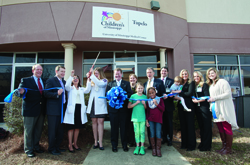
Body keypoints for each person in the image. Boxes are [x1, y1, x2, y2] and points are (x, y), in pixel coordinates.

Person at [14, 64, 46, 158]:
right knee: (29, 131)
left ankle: (36, 147)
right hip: (30, 110)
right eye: (37, 69)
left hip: (41, 110)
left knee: (38, 131)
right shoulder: (26, 80)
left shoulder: (44, 81)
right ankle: (28, 150)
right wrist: (20, 92)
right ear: (33, 71)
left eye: (41, 70)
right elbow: (18, 91)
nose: (39, 71)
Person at [206, 67, 239, 155]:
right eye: (209, 74)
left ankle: (228, 148)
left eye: (212, 73)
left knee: (226, 126)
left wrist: (215, 98)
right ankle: (224, 146)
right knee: (220, 127)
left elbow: (228, 94)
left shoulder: (222, 82)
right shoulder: (212, 85)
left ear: (216, 73)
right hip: (216, 108)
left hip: (224, 107)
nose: (211, 75)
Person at [106, 68, 133, 152]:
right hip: (113, 110)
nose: (117, 75)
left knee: (123, 128)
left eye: (118, 74)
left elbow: (130, 94)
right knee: (114, 128)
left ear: (121, 74)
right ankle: (114, 145)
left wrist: (122, 95)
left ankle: (124, 145)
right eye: (116, 74)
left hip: (123, 110)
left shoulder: (127, 83)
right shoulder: (110, 84)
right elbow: (106, 95)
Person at [64, 70, 90, 153]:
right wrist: (71, 76)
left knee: (77, 128)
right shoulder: (70, 88)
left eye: (77, 78)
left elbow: (88, 90)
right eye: (74, 78)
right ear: (72, 80)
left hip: (79, 109)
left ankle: (75, 144)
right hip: (72, 110)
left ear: (79, 80)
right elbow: (66, 86)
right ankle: (70, 145)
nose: (75, 79)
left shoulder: (81, 89)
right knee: (71, 128)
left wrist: (89, 79)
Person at [44, 65, 66, 155]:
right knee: (52, 130)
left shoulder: (64, 82)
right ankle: (51, 148)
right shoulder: (50, 80)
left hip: (62, 109)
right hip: (53, 110)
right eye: (61, 71)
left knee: (60, 130)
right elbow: (46, 93)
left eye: (64, 72)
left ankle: (57, 147)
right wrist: (56, 94)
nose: (63, 73)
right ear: (56, 71)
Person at [86, 67, 108, 150]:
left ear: (101, 73)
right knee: (94, 122)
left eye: (97, 73)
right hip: (93, 104)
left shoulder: (104, 80)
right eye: (94, 73)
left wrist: (91, 76)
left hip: (101, 105)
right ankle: (95, 141)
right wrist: (88, 80)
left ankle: (101, 142)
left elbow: (99, 84)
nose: (95, 75)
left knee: (100, 122)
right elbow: (87, 90)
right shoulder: (92, 80)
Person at [143, 67, 165, 149]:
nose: (149, 74)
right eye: (147, 72)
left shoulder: (159, 82)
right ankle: (151, 145)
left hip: (157, 109)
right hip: (149, 109)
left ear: (153, 73)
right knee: (150, 129)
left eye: (150, 72)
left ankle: (158, 146)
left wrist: (165, 94)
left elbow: (163, 92)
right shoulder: (145, 84)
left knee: (158, 130)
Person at [176, 69, 196, 151]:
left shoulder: (191, 83)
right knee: (183, 126)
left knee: (190, 126)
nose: (184, 75)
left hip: (189, 106)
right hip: (181, 107)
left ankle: (191, 145)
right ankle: (184, 144)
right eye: (183, 74)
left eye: (186, 74)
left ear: (188, 75)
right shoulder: (180, 84)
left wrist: (180, 93)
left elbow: (190, 93)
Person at [192, 71, 212, 151]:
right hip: (198, 109)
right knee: (202, 127)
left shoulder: (204, 85)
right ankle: (202, 143)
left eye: (197, 76)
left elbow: (207, 96)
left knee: (207, 127)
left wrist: (198, 101)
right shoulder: (195, 86)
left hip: (205, 108)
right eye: (194, 76)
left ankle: (207, 146)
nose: (196, 78)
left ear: (200, 77)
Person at [128, 82, 147, 155]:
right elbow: (129, 106)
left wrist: (144, 104)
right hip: (135, 117)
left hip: (142, 117)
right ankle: (137, 146)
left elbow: (146, 108)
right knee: (136, 132)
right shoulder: (133, 96)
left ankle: (142, 147)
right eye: (139, 88)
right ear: (136, 89)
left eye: (141, 88)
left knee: (142, 132)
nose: (140, 89)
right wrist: (136, 103)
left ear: (143, 89)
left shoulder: (145, 97)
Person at [146, 87, 165, 157]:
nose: (151, 94)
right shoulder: (148, 101)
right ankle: (153, 149)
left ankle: (158, 149)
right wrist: (147, 120)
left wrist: (156, 104)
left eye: (152, 93)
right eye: (150, 93)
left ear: (155, 92)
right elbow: (147, 111)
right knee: (152, 133)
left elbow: (163, 109)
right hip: (151, 119)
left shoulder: (160, 99)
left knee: (158, 134)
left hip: (158, 120)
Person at [159, 66, 175, 146]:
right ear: (160, 72)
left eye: (165, 71)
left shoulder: (171, 81)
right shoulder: (157, 81)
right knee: (162, 123)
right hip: (160, 106)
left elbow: (174, 91)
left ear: (167, 72)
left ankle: (169, 139)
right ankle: (163, 138)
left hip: (168, 106)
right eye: (162, 71)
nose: (163, 72)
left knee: (169, 123)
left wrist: (170, 95)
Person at [127, 73, 138, 147]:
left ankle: (137, 141)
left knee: (136, 125)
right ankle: (131, 141)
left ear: (136, 79)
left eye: (133, 78)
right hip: (129, 109)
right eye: (131, 78)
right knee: (129, 125)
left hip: (137, 108)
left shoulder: (139, 87)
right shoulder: (127, 87)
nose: (132, 79)